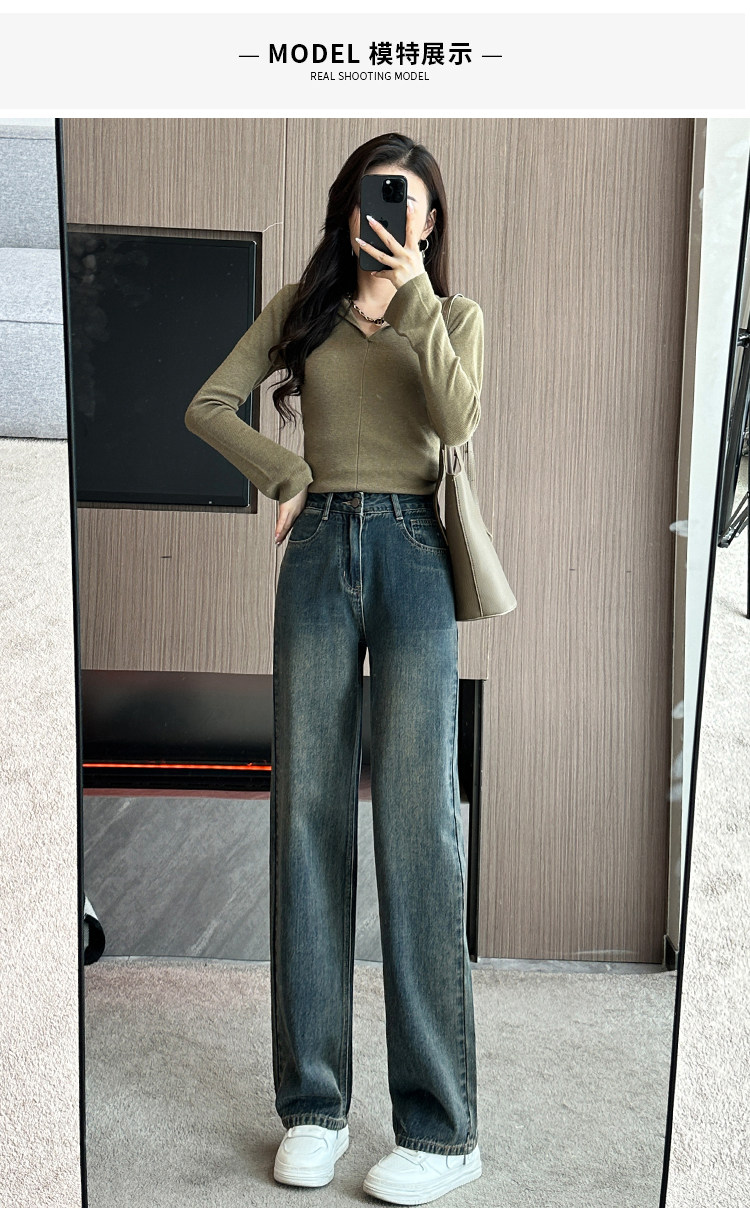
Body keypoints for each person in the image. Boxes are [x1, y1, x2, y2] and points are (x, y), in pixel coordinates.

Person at [184, 131, 484, 1205]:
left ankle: (443, 1131)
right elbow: (206, 404)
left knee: (418, 829)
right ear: (347, 207)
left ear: (431, 222)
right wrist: (289, 473)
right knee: (307, 818)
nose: (393, 212)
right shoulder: (299, 309)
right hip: (317, 559)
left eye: (411, 200)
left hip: (413, 557)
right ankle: (314, 1105)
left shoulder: (452, 317)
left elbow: (458, 418)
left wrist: (411, 295)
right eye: (376, 195)